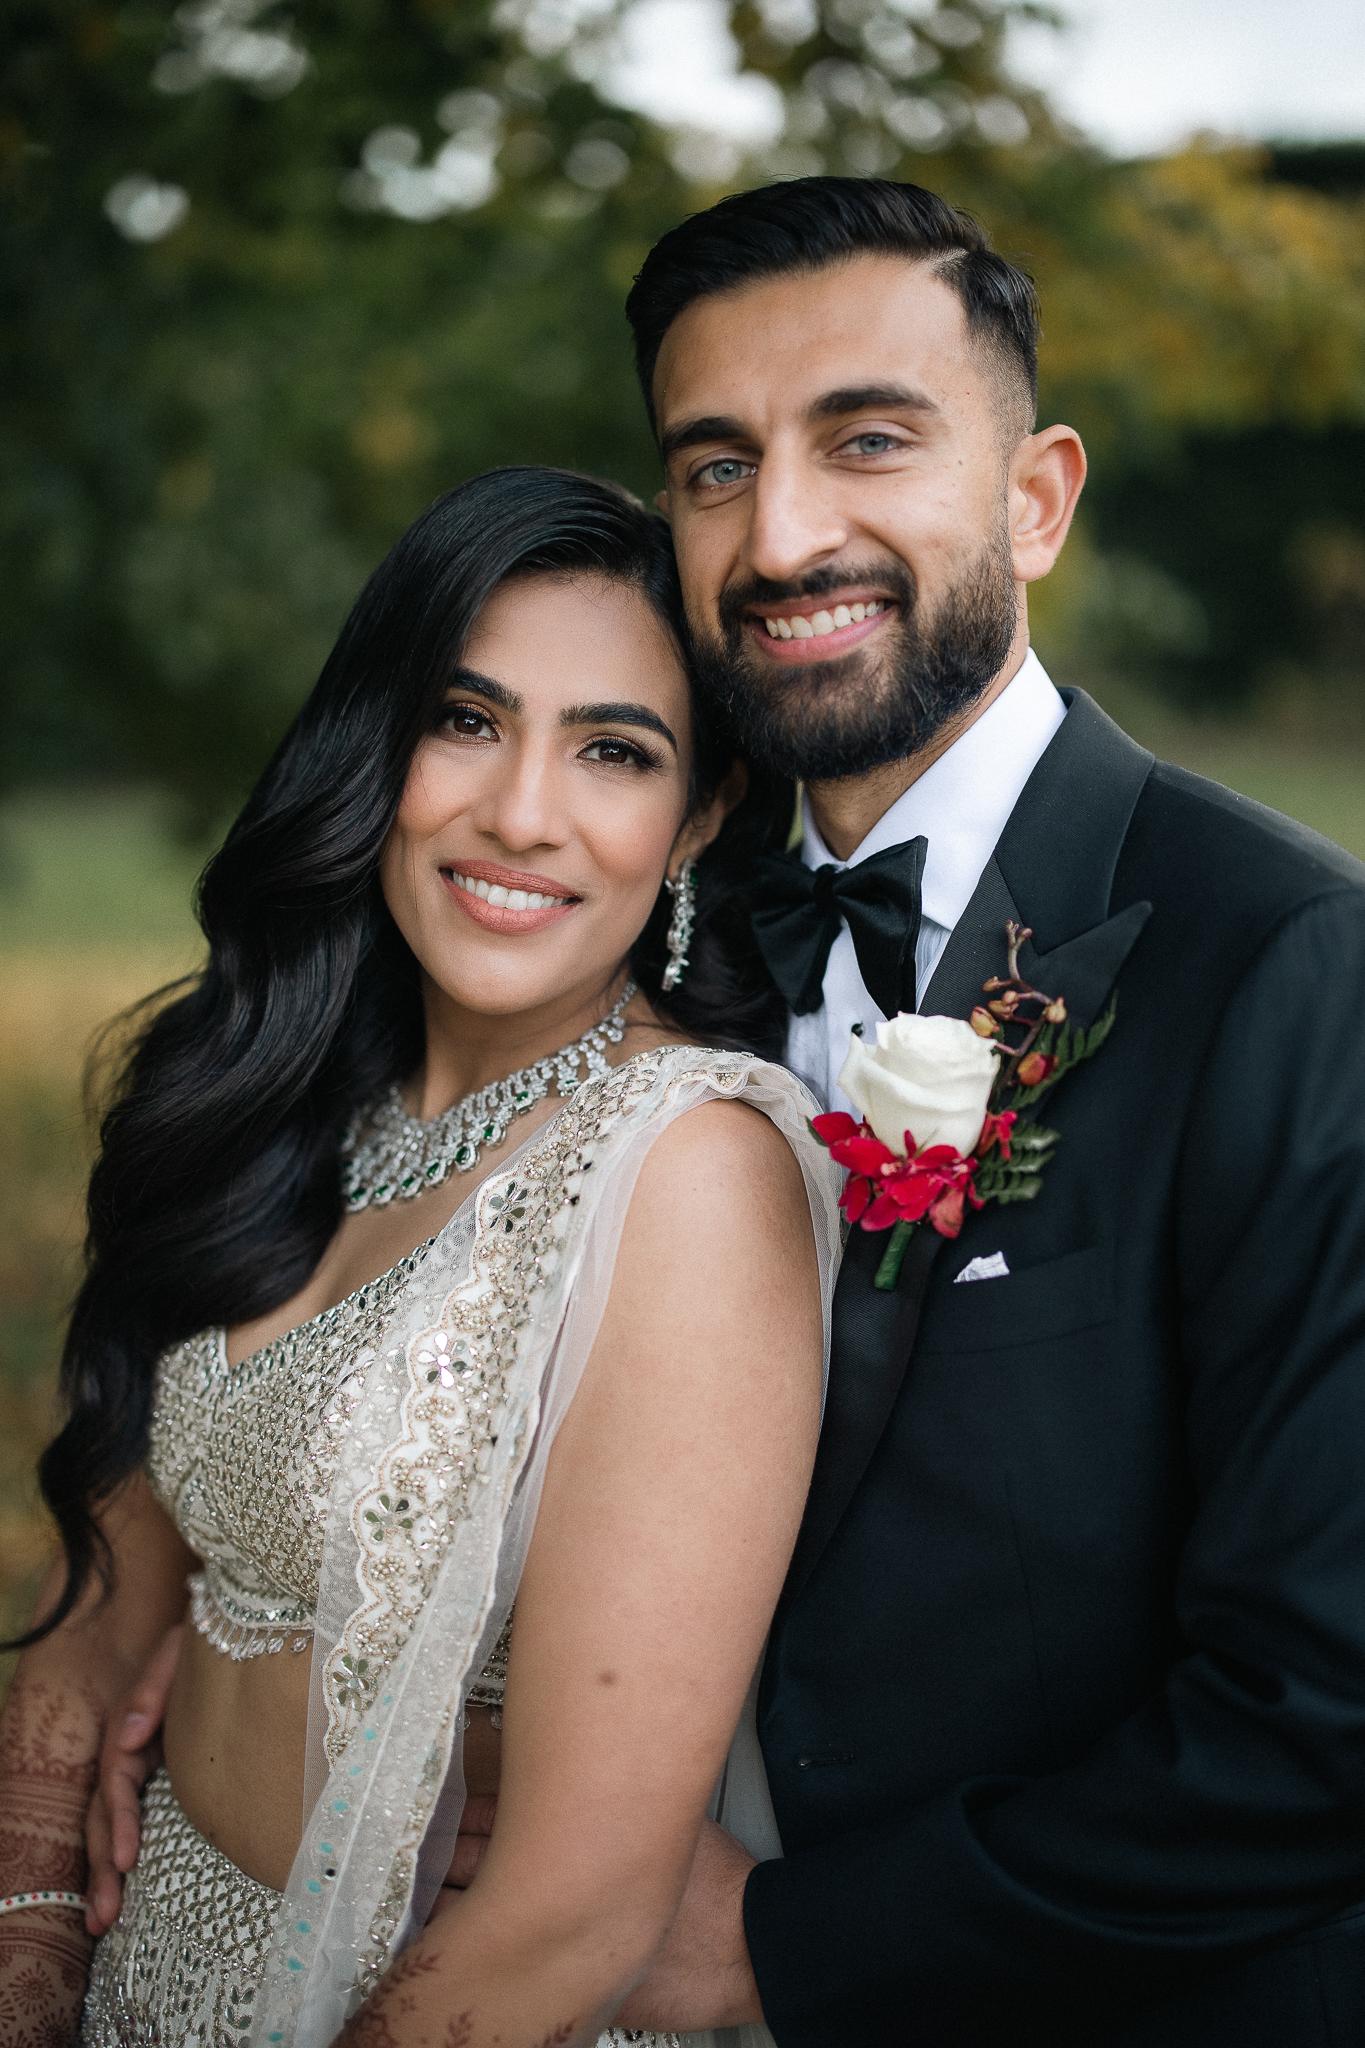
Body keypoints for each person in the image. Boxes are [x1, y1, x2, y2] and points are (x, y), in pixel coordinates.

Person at [600, 178, 1365, 2043]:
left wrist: (783, 1950)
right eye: (716, 468)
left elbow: (1328, 1709)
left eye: (867, 440)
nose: (782, 535)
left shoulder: (1291, 962)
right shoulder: (651, 938)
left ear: (1035, 501)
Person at [0, 465, 842, 2047]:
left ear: (699, 817)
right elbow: (102, 1604)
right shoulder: (286, 1104)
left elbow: (572, 1915)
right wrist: (30, 1952)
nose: (519, 812)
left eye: (612, 750)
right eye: (465, 720)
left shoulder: (685, 1172)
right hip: (137, 1971)